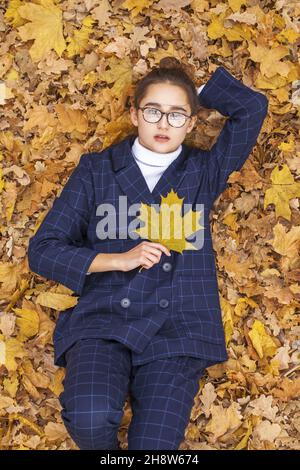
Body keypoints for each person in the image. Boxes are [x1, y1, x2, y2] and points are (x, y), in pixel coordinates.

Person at [27, 57, 268, 450]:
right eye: (154, 111)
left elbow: (252, 108)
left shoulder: (202, 172)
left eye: (177, 116)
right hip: (103, 322)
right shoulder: (97, 170)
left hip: (178, 329)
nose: (163, 124)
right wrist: (118, 260)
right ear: (135, 114)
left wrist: (195, 94)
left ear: (192, 123)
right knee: (88, 416)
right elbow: (43, 251)